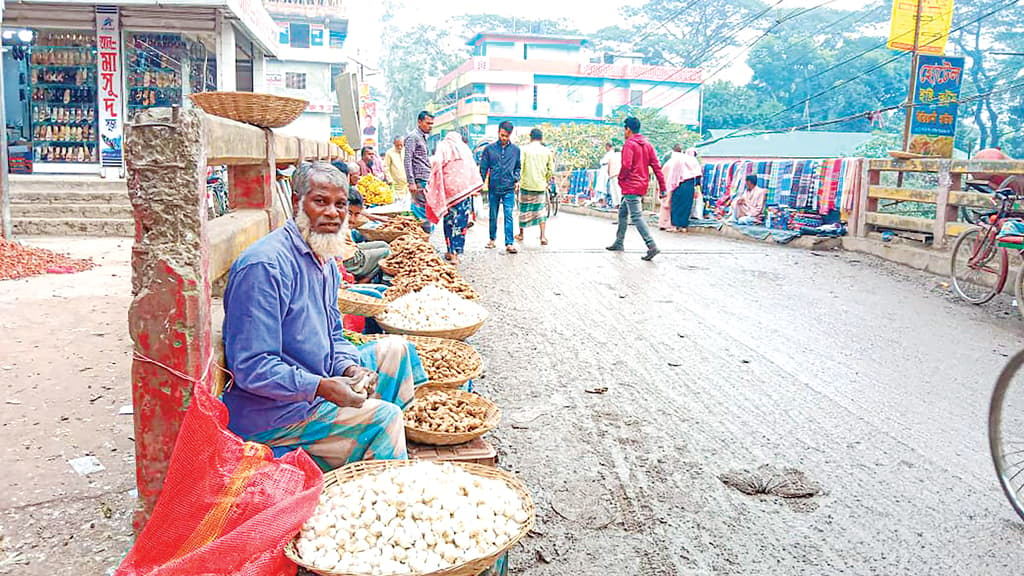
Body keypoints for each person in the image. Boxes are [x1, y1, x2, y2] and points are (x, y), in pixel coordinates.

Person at [221, 161, 428, 471]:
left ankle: (387, 452)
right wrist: (320, 386)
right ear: (296, 202)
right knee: (385, 419)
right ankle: (378, 480)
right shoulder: (265, 267)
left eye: (340, 204)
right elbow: (253, 367)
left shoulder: (325, 260)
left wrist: (349, 367)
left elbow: (334, 334)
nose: (333, 213)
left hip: (315, 383)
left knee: (397, 350)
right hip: (276, 416)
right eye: (320, 201)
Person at [607, 117, 665, 261]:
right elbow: (657, 167)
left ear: (628, 129)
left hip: (630, 185)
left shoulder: (629, 144)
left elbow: (626, 165)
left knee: (637, 216)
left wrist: (621, 179)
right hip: (641, 184)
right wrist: (663, 187)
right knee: (622, 212)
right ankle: (619, 242)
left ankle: (651, 245)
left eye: (624, 129)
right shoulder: (648, 145)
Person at [426, 131, 484, 265]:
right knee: (461, 223)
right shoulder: (465, 148)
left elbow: (436, 162)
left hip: (450, 192)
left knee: (450, 222)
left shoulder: (443, 146)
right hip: (463, 191)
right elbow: (472, 169)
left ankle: (451, 253)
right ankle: (456, 252)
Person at [479, 121, 521, 254]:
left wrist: (515, 178)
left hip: (509, 188)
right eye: (502, 135)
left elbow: (518, 167)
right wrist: (480, 184)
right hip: (493, 187)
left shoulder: (516, 150)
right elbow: (483, 168)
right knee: (493, 214)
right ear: (498, 132)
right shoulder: (489, 149)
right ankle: (492, 239)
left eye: (507, 136)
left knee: (509, 215)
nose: (504, 138)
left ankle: (509, 243)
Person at [343, 189, 392, 283]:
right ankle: (368, 281)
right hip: (348, 260)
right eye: (349, 213)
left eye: (356, 214)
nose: (352, 220)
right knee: (386, 253)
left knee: (383, 244)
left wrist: (375, 218)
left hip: (351, 249)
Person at [517, 128, 555, 245]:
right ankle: (542, 236)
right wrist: (545, 179)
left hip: (526, 184)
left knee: (523, 210)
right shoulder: (547, 151)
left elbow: (520, 166)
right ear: (541, 138)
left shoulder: (524, 150)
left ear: (530, 137)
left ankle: (521, 234)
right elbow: (551, 170)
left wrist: (518, 180)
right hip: (540, 186)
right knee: (540, 211)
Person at [404, 111, 434, 231]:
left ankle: (425, 238)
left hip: (426, 179)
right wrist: (411, 181)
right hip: (419, 180)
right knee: (421, 212)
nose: (430, 126)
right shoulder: (413, 137)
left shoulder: (423, 138)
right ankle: (422, 238)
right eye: (428, 123)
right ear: (419, 122)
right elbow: (407, 160)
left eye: (432, 124)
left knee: (426, 210)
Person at [662, 145, 703, 232]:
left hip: (680, 186)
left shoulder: (681, 161)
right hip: (690, 187)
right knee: (686, 206)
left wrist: (671, 186)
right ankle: (683, 226)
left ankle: (675, 226)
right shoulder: (695, 163)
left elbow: (674, 176)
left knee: (676, 205)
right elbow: (698, 180)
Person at [600, 142, 622, 208]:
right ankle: (620, 203)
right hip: (618, 174)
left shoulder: (611, 156)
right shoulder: (622, 156)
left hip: (612, 175)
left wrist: (609, 174)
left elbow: (608, 166)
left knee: (614, 190)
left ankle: (617, 204)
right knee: (618, 189)